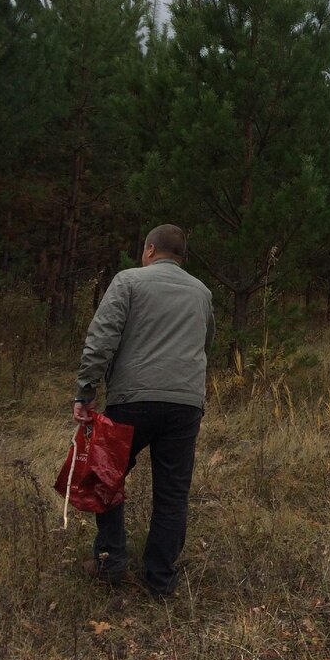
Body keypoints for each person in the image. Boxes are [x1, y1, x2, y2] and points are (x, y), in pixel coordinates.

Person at [73, 224, 215, 598]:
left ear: (150, 249)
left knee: (105, 477)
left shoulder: (128, 281)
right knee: (172, 494)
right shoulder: (202, 292)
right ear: (181, 256)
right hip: (185, 405)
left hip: (131, 401)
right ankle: (160, 581)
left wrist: (86, 390)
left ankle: (111, 561)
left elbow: (101, 336)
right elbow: (206, 344)